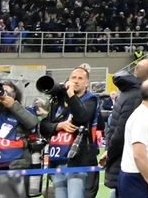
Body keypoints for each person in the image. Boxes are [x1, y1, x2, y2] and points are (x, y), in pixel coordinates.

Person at [38, 66, 102, 198]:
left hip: (78, 159)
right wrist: (59, 126)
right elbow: (43, 125)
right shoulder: (59, 101)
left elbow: (82, 117)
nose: (76, 81)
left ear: (87, 83)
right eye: (73, 78)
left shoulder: (91, 100)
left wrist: (71, 95)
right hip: (57, 158)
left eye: (80, 78)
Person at [104, 58, 148, 192]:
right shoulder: (138, 97)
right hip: (129, 164)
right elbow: (122, 132)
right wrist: (110, 155)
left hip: (122, 161)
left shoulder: (126, 92)